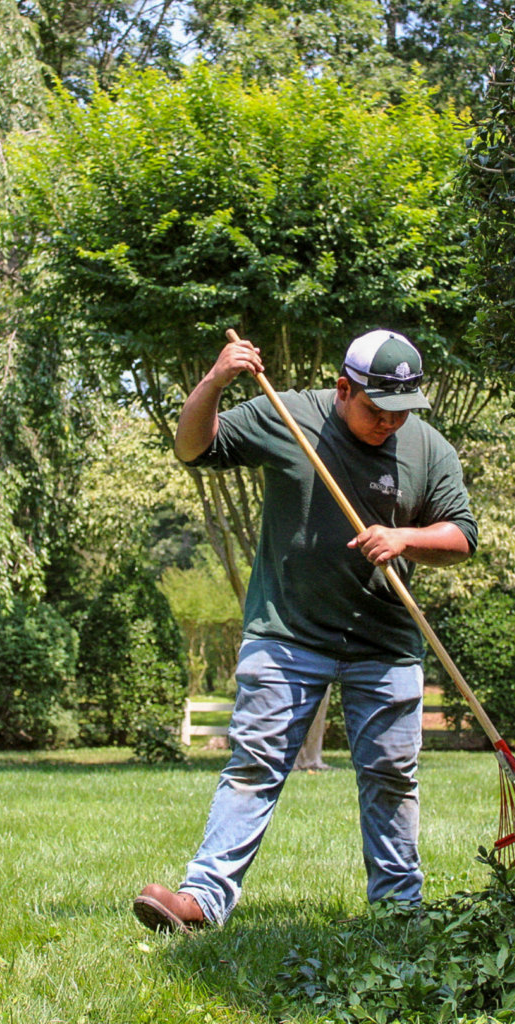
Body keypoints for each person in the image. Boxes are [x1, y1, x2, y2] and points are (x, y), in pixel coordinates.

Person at [133, 328, 478, 933]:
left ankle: (399, 913)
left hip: (386, 642)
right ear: (344, 389)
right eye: (377, 410)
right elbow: (193, 449)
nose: (390, 425)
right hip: (287, 632)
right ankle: (202, 901)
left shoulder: (427, 447)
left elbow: (462, 536)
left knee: (392, 777)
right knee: (254, 765)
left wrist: (404, 538)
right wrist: (214, 383)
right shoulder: (287, 415)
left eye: (403, 412)